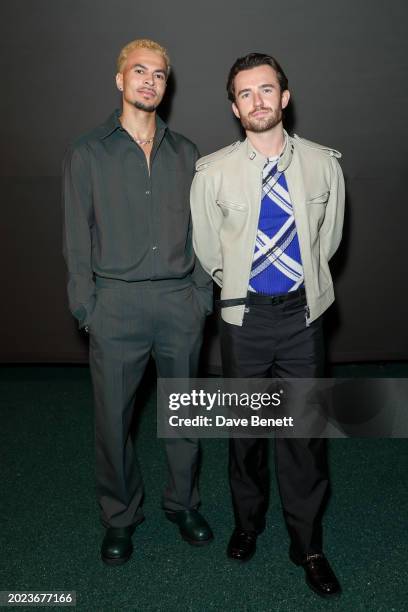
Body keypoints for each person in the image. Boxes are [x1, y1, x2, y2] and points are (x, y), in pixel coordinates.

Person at [190, 52, 345, 597]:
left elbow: (329, 239)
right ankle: (247, 523)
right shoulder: (211, 173)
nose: (257, 101)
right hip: (245, 319)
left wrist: (302, 287)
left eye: (266, 89)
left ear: (285, 96)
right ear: (235, 107)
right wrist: (244, 292)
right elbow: (209, 250)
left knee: (305, 436)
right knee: (247, 434)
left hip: (304, 318)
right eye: (245, 93)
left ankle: (308, 543)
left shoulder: (325, 164)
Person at [62, 38, 213, 566]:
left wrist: (200, 298)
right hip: (115, 307)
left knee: (184, 414)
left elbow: (203, 234)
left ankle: (183, 503)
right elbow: (76, 239)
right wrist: (88, 307)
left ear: (165, 87)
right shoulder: (88, 152)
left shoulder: (188, 153)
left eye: (159, 75)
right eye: (139, 71)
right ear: (120, 80)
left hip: (179, 304)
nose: (149, 81)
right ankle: (120, 515)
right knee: (112, 422)